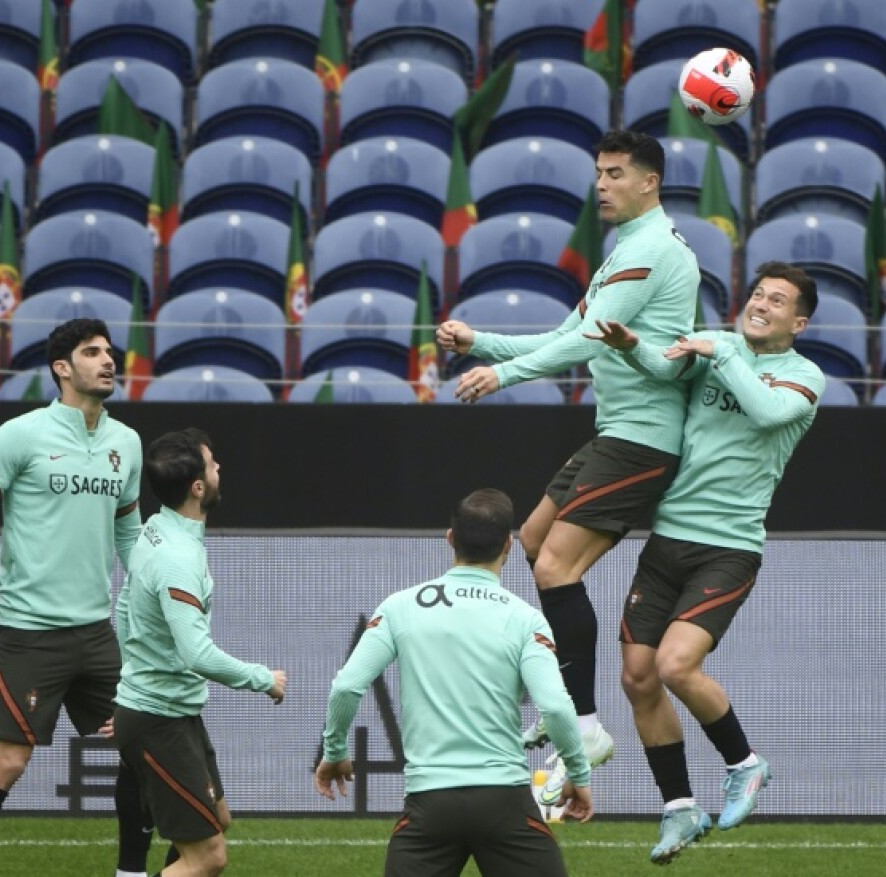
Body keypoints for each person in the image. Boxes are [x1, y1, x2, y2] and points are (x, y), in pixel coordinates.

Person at [437, 129, 700, 795]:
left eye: (615, 173)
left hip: (644, 439)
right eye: (599, 172)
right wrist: (480, 342)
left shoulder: (654, 252)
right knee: (529, 539)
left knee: (555, 564)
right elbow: (564, 332)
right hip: (614, 431)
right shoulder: (622, 253)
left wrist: (501, 376)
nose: (602, 184)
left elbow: (581, 343)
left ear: (650, 182)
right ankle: (569, 711)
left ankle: (581, 722)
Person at [584, 261, 825, 864]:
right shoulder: (717, 348)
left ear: (798, 322)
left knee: (674, 665)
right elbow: (667, 371)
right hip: (667, 542)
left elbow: (768, 413)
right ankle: (679, 807)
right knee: (637, 676)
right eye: (758, 294)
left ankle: (745, 764)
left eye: (778, 301)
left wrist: (721, 352)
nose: (761, 304)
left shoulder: (803, 375)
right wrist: (635, 346)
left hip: (729, 547)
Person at [0, 318, 153, 876]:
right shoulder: (20, 435)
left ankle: (130, 873)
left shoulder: (126, 443)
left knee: (145, 745)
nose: (108, 361)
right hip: (30, 637)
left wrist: (155, 591)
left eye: (110, 352)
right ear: (63, 368)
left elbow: (129, 534)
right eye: (93, 353)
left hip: (98, 635)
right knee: (8, 762)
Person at [316, 489, 594, 877]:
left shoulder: (400, 606)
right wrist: (578, 775)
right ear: (509, 546)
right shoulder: (525, 618)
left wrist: (335, 749)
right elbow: (557, 706)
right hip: (504, 803)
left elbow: (346, 686)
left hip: (430, 806)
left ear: (450, 538)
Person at [112, 428, 287, 877]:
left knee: (218, 821)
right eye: (212, 464)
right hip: (158, 721)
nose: (219, 469)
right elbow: (196, 654)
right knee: (209, 857)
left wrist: (136, 678)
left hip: (170, 713)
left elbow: (124, 609)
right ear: (197, 487)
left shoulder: (155, 529)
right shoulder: (177, 558)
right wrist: (263, 679)